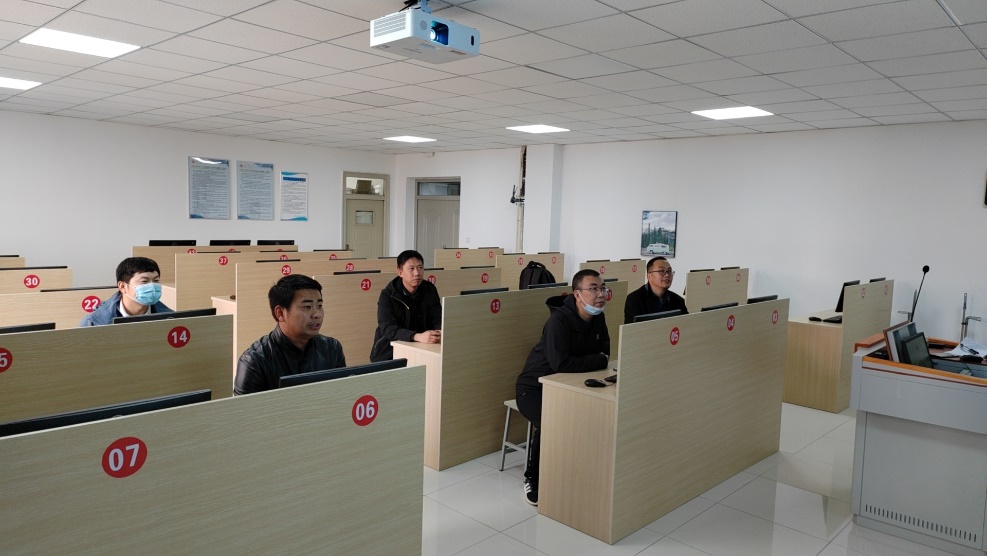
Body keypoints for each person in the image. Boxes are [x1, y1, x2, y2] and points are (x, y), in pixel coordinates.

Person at [515, 269, 611, 506]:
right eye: (594, 289)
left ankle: (574, 472)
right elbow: (561, 364)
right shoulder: (558, 320)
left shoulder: (598, 317)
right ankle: (532, 478)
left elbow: (605, 355)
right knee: (550, 421)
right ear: (577, 294)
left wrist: (596, 360)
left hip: (569, 385)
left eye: (602, 288)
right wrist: (595, 360)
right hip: (534, 387)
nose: (601, 294)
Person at [234, 274, 346, 395]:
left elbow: (342, 396)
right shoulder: (254, 361)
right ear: (280, 313)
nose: (317, 314)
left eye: (319, 306)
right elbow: (244, 407)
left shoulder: (332, 348)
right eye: (307, 307)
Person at [369, 250, 442, 362]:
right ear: (400, 272)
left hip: (422, 347)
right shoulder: (388, 295)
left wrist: (439, 331)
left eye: (420, 268)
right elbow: (388, 328)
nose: (417, 273)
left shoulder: (429, 290)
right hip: (389, 351)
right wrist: (417, 336)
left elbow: (438, 317)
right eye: (411, 269)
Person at [80, 256, 172, 326]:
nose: (152, 286)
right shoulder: (94, 323)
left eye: (156, 281)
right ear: (123, 286)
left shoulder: (171, 318)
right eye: (144, 281)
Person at [623, 256, 688, 324]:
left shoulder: (678, 300)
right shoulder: (634, 299)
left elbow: (686, 325)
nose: (667, 275)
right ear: (649, 276)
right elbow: (630, 329)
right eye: (662, 271)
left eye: (669, 271)